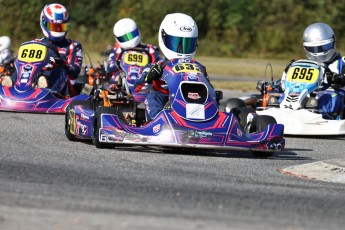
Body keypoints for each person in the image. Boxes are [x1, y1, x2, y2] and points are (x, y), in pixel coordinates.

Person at [134, 13, 204, 121]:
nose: (182, 49)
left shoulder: (198, 67)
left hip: (190, 99)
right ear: (164, 38)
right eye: (177, 43)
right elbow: (138, 89)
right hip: (164, 98)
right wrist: (150, 77)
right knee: (153, 96)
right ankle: (157, 123)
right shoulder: (155, 66)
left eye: (188, 43)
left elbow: (208, 88)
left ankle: (208, 123)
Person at [11, 3, 83, 97]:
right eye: (54, 27)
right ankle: (12, 86)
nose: (57, 30)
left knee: (60, 70)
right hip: (34, 76)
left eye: (61, 27)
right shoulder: (35, 43)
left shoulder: (73, 46)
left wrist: (61, 63)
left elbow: (75, 73)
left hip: (61, 90)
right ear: (44, 22)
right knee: (23, 65)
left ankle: (47, 91)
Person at [281, 22, 345, 117]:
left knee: (329, 98)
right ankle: (281, 114)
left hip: (333, 100)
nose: (318, 52)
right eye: (314, 49)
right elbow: (286, 85)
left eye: (323, 47)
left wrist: (339, 79)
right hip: (305, 96)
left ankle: (315, 116)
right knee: (280, 97)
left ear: (333, 42)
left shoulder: (342, 62)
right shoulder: (304, 66)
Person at [107, 18, 162, 85]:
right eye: (125, 37)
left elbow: (160, 65)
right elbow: (110, 69)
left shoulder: (150, 49)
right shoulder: (118, 51)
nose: (129, 39)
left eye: (131, 35)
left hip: (145, 84)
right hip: (122, 84)